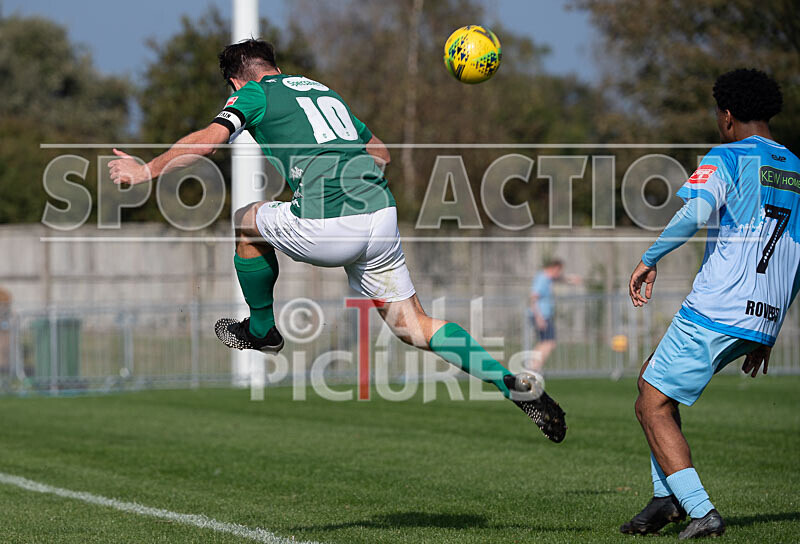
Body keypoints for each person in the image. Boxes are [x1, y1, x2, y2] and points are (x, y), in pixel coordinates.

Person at [108, 39, 566, 442]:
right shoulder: (323, 91)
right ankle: (509, 382)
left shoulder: (253, 93)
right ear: (277, 66)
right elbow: (380, 153)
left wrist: (146, 170)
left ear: (234, 81)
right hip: (380, 216)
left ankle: (262, 330)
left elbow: (208, 143)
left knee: (245, 220)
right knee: (414, 325)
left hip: (330, 225)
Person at [624, 68, 799, 539]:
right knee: (651, 376)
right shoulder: (796, 168)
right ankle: (665, 498)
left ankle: (700, 509)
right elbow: (797, 256)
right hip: (762, 314)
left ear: (727, 116)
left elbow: (695, 213)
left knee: (650, 404)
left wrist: (649, 258)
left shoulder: (727, 155)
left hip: (718, 306)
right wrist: (771, 330)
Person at [527, 259, 580, 373]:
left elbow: (559, 278)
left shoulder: (547, 278)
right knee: (549, 343)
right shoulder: (542, 279)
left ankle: (533, 366)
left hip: (543, 315)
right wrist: (539, 318)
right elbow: (533, 298)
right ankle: (533, 367)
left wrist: (570, 279)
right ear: (555, 268)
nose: (559, 273)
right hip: (541, 316)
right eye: (559, 271)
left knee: (544, 342)